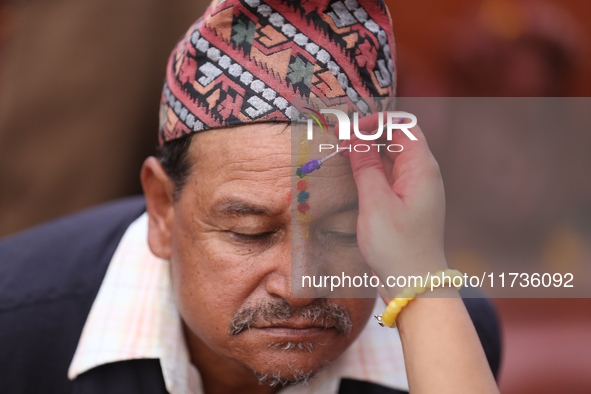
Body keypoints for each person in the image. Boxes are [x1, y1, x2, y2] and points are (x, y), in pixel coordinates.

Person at [0, 1, 501, 393]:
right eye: (251, 233)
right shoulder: (18, 326)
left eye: (342, 231)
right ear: (161, 211)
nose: (299, 288)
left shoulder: (441, 330)